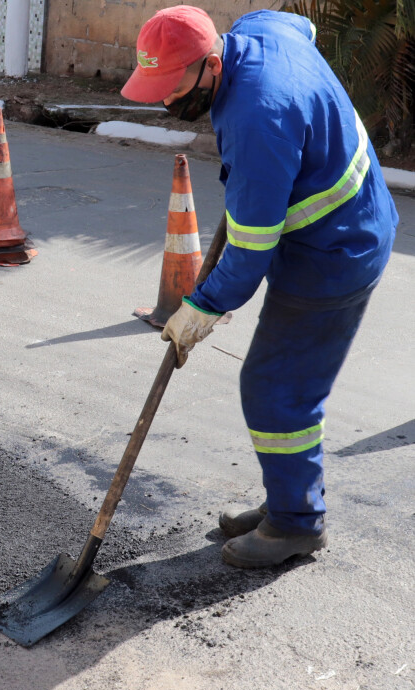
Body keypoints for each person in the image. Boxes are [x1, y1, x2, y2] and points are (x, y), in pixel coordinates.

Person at [121, 6, 398, 568]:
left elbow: (249, 252)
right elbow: (304, 28)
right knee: (279, 385)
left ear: (213, 63)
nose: (166, 101)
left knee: (276, 389)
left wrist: (199, 309)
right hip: (344, 222)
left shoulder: (256, 120)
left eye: (173, 87)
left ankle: (297, 524)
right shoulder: (260, 29)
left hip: (336, 252)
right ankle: (287, 502)